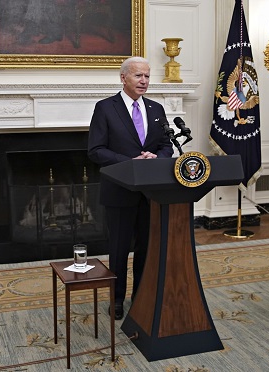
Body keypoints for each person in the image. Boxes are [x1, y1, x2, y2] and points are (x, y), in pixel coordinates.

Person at [88, 56, 174, 320]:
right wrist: (131, 163)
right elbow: (96, 150)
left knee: (146, 249)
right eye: (138, 76)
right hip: (119, 192)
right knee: (119, 249)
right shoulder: (105, 108)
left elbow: (166, 145)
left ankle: (141, 296)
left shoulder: (157, 109)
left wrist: (157, 158)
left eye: (147, 76)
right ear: (123, 77)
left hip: (151, 194)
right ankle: (116, 300)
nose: (144, 81)